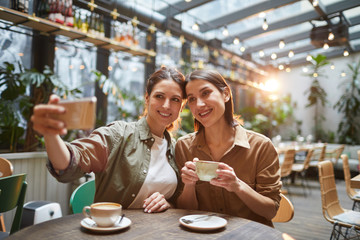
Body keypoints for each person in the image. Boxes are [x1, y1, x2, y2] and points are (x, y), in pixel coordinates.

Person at [31, 67, 186, 213]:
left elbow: (178, 201)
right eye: (159, 96)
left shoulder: (175, 148)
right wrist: (51, 134)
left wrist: (168, 204)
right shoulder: (119, 134)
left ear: (181, 106)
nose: (166, 105)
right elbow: (69, 162)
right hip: (115, 230)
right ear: (147, 98)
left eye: (175, 99)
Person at [175, 69, 281, 227]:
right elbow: (185, 212)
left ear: (225, 94)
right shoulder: (184, 147)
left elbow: (270, 211)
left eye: (206, 93)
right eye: (192, 99)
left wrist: (238, 186)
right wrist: (189, 185)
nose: (199, 104)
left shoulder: (261, 146)